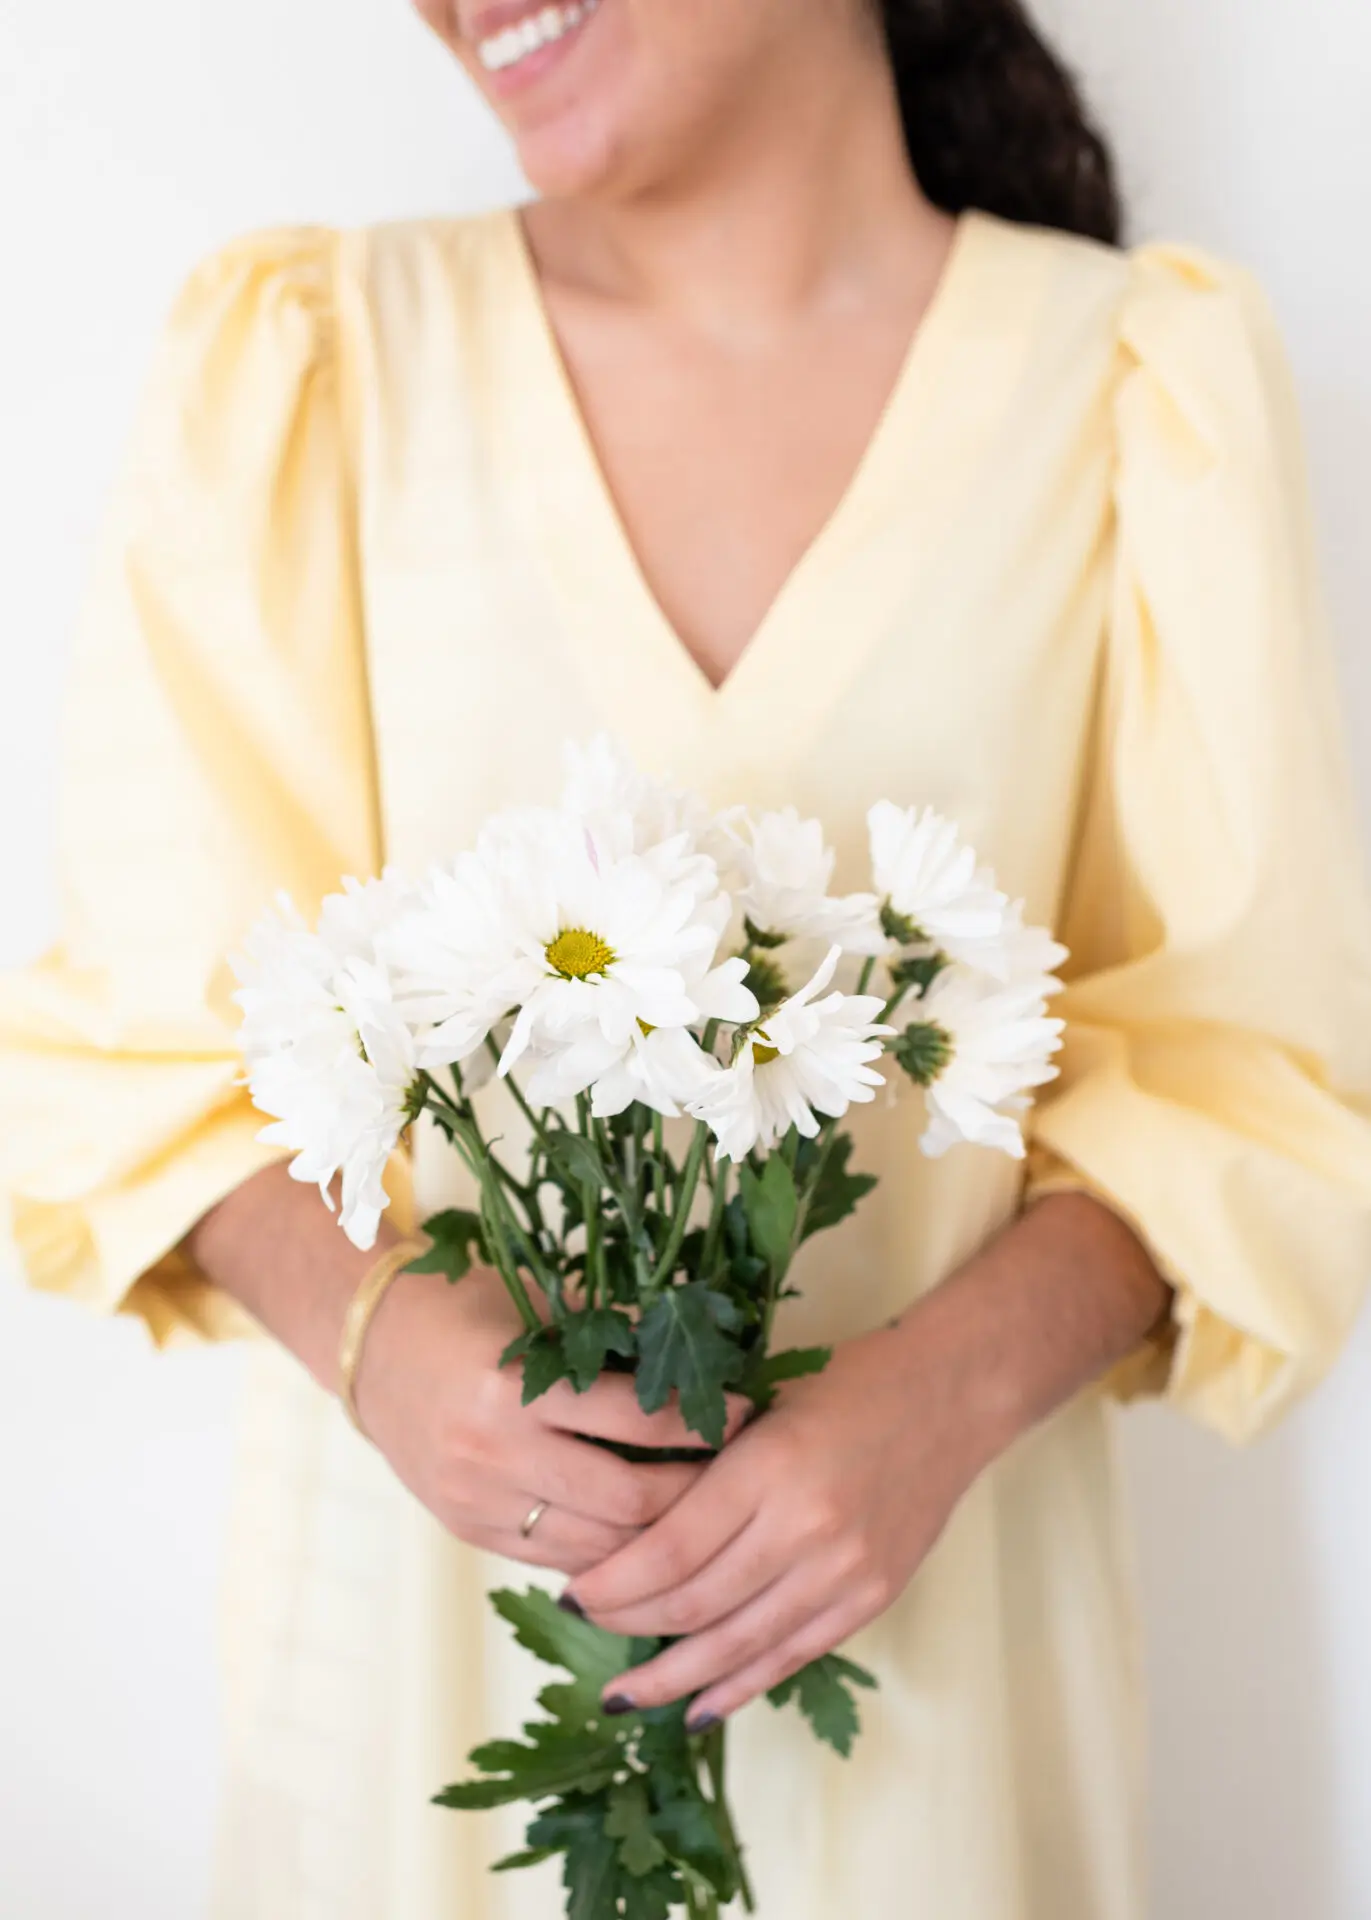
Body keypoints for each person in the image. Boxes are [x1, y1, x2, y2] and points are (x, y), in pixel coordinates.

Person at [4, 0, 1371, 1914]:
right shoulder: (316, 366)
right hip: (418, 1715)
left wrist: (940, 1395)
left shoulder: (1135, 391)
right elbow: (150, 1043)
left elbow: (1249, 1075)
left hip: (948, 1737)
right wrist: (380, 1333)